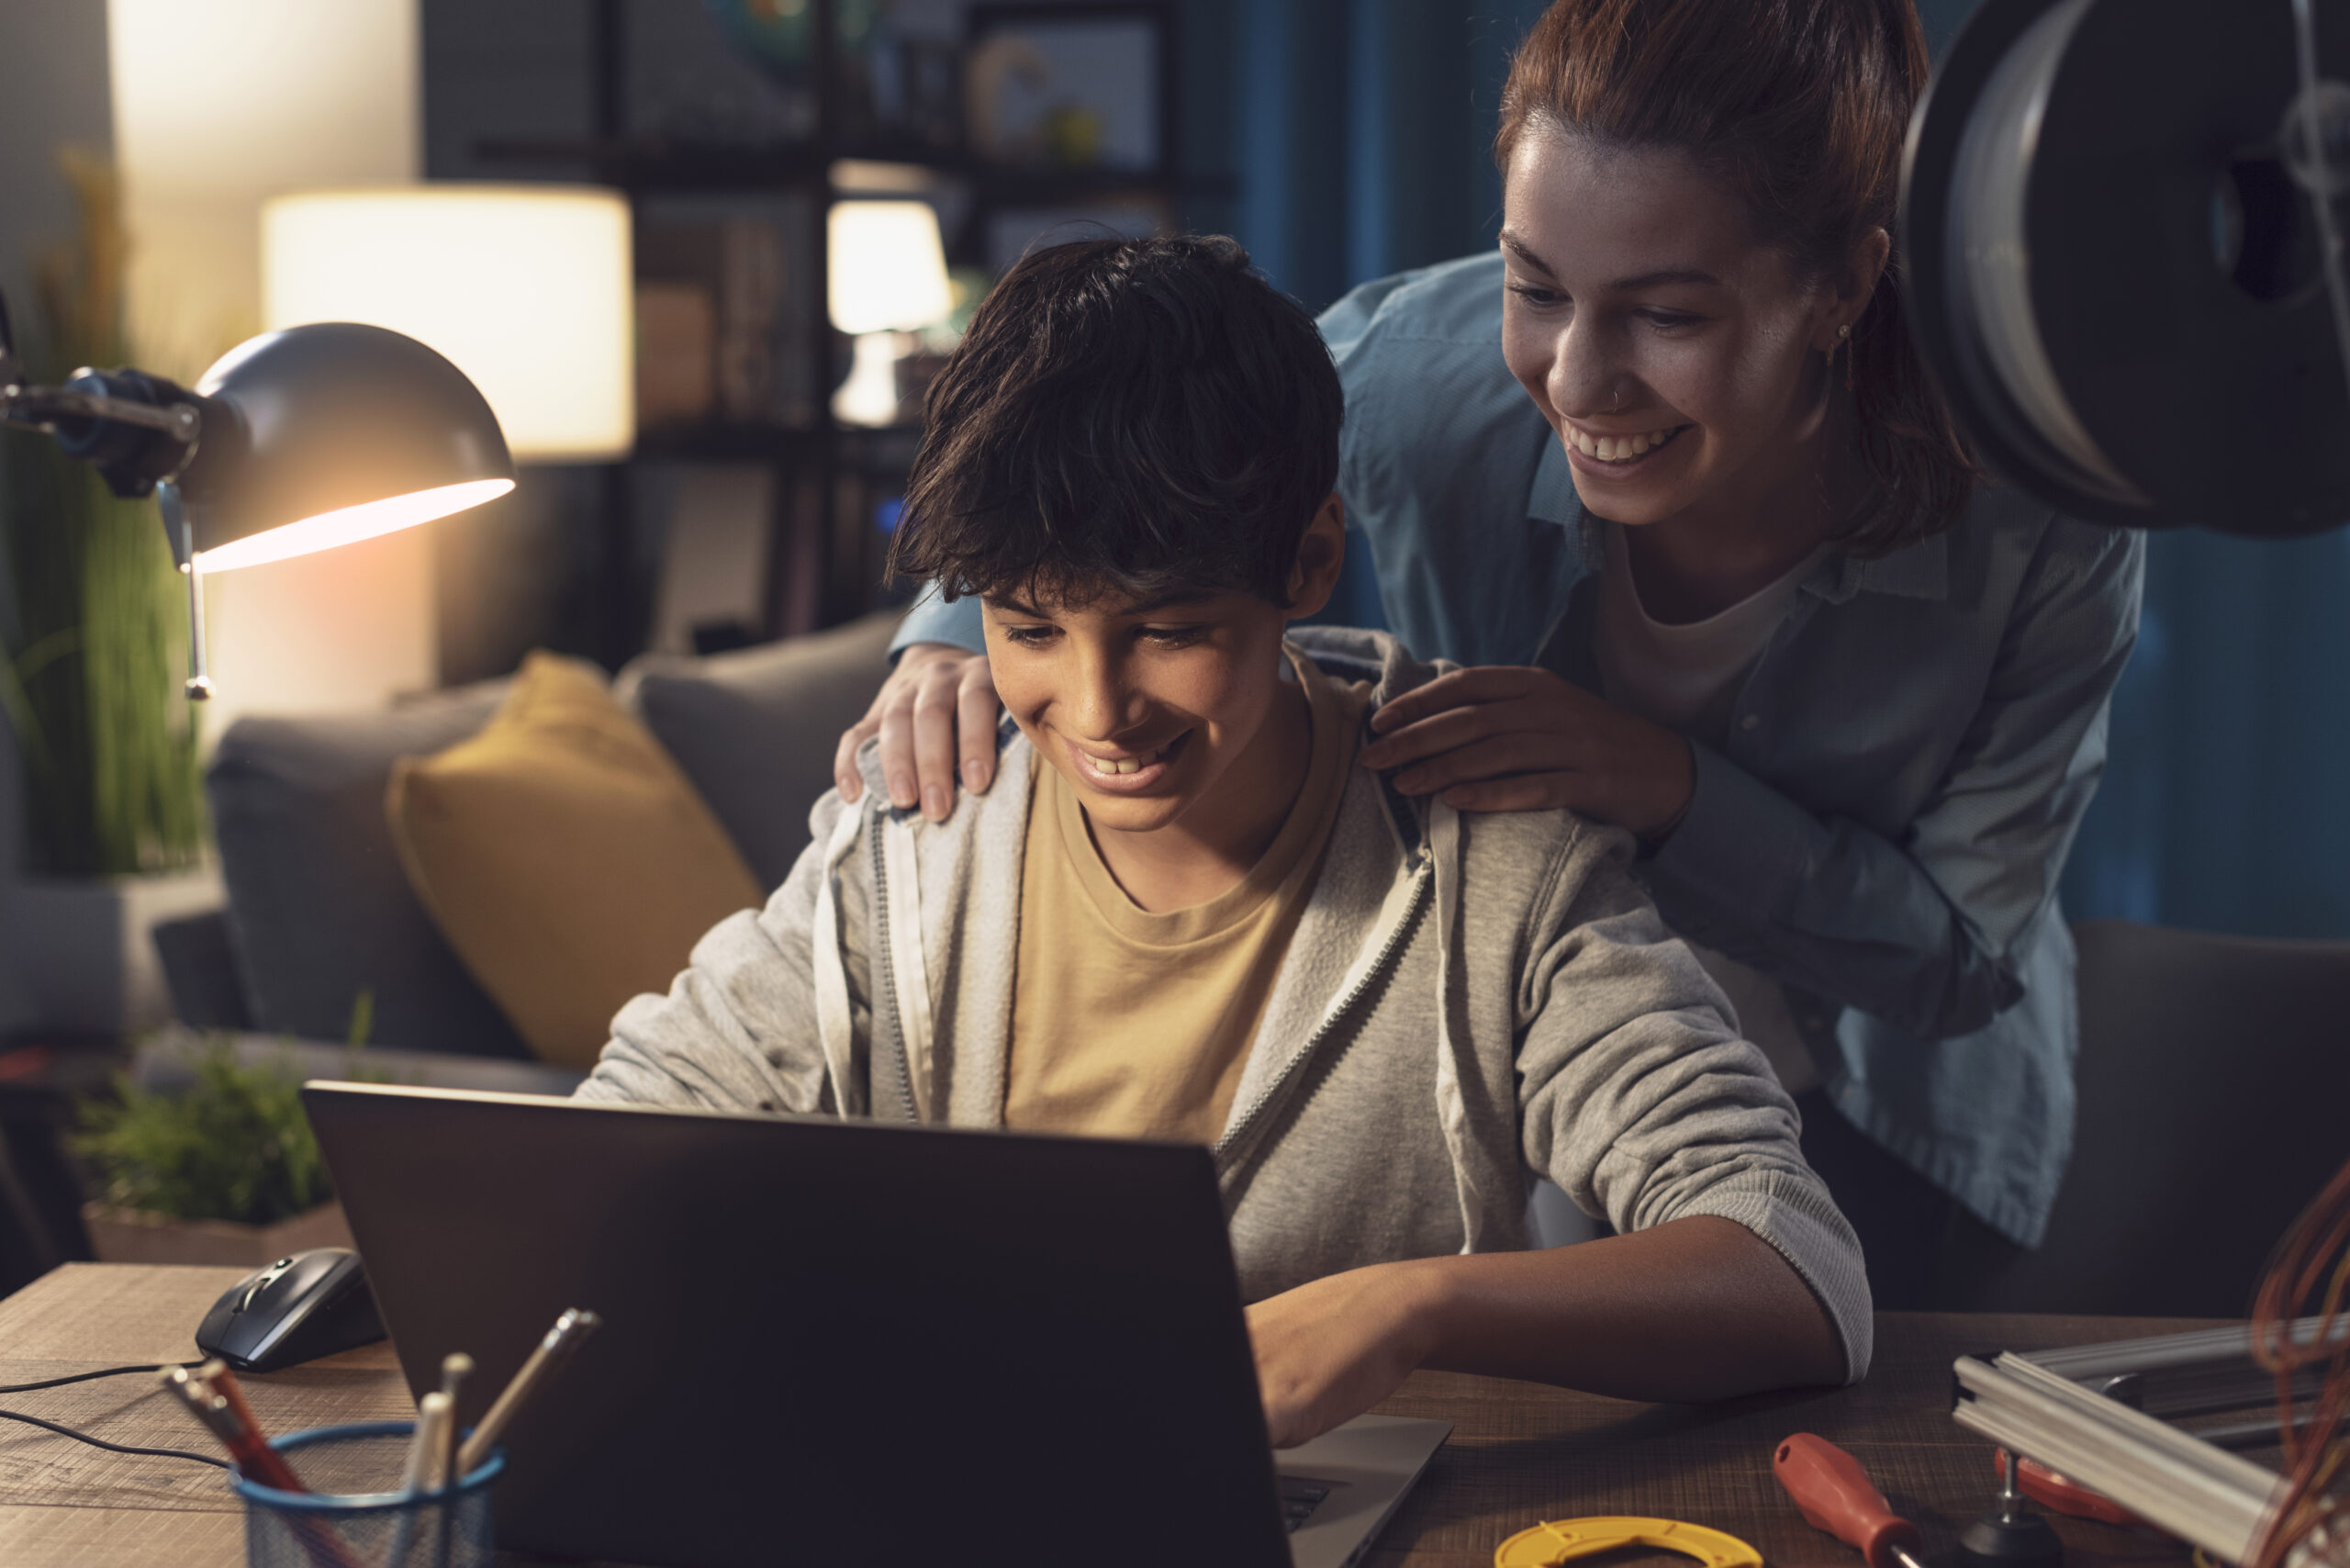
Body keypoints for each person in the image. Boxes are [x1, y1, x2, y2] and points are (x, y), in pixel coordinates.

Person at [848, 0, 2144, 1307]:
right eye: (1536, 288)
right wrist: (953, 633)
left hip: (1887, 1112)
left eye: (1669, 317)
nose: (1577, 380)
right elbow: (1129, 422)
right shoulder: (1415, 373)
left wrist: (1663, 787)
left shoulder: (2039, 513)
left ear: (1844, 288)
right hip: (1540, 1095)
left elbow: (1965, 957)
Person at [582, 234, 1868, 1447]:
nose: (1096, 716)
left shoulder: (1494, 859)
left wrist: (1408, 1307)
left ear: (1308, 562)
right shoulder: (925, 822)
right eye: (1028, 629)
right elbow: (609, 1154)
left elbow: (1795, 1270)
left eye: (1168, 630)